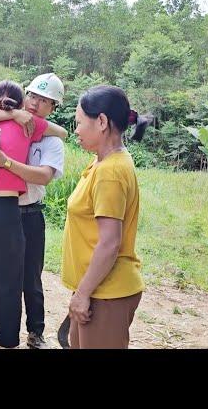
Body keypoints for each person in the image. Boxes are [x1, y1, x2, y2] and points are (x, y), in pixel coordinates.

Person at [0, 80, 67, 349]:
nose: (35, 103)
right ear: (22, 100)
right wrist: (16, 116)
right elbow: (64, 131)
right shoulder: (20, 122)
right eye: (31, 96)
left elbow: (58, 142)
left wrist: (7, 157)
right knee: (8, 282)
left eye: (43, 100)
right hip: (4, 210)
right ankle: (5, 338)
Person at [62, 85, 149, 349]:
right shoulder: (102, 162)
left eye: (79, 122)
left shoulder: (110, 171)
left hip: (107, 293)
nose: (75, 130)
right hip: (97, 287)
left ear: (101, 122)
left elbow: (110, 243)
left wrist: (83, 294)